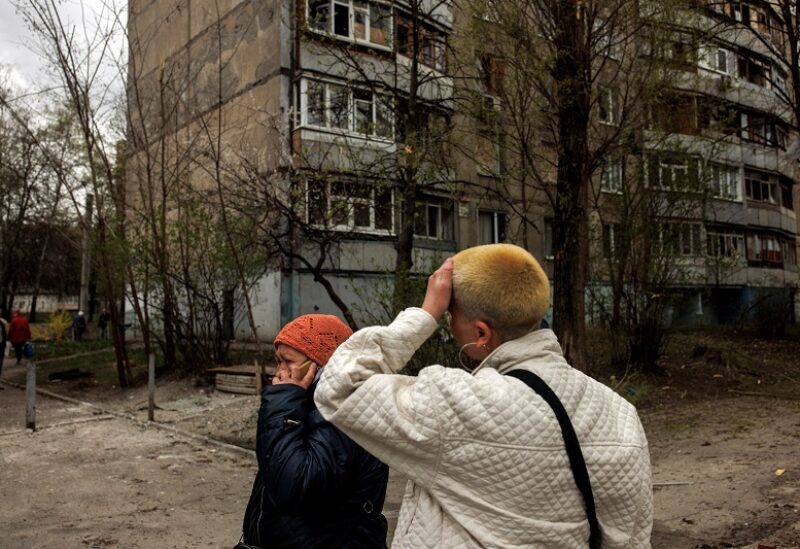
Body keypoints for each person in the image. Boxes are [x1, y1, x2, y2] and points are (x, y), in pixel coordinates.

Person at [315, 244, 653, 548]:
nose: (447, 324)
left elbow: (340, 386)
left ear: (481, 334)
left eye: (450, 317)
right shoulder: (620, 413)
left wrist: (424, 315)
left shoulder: (458, 404)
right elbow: (632, 537)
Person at [240, 314, 390, 549]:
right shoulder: (308, 402)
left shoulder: (343, 409)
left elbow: (296, 485)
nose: (279, 372)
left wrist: (282, 404)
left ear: (320, 363)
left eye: (288, 361)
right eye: (277, 361)